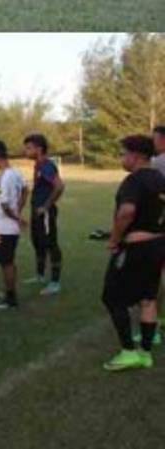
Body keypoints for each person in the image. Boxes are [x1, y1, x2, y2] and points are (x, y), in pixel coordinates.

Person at [100, 135, 165, 371]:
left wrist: (114, 240)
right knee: (148, 299)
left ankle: (128, 351)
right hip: (158, 244)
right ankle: (145, 353)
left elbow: (126, 212)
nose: (121, 158)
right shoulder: (160, 177)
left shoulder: (134, 180)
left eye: (122, 153)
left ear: (136, 156)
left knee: (111, 297)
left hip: (136, 247)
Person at [0, 140, 28, 309]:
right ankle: (9, 291)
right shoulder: (16, 173)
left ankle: (11, 299)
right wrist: (19, 209)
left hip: (5, 227)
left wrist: (17, 217)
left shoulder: (6, 176)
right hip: (8, 226)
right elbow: (26, 189)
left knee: (6, 263)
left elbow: (4, 205)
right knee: (8, 261)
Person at [24, 134, 65, 294]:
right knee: (38, 243)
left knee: (50, 244)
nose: (25, 151)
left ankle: (55, 283)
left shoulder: (47, 165)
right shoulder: (38, 165)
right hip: (37, 211)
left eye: (29, 148)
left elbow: (59, 186)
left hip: (45, 212)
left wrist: (46, 206)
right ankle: (40, 275)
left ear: (39, 149)